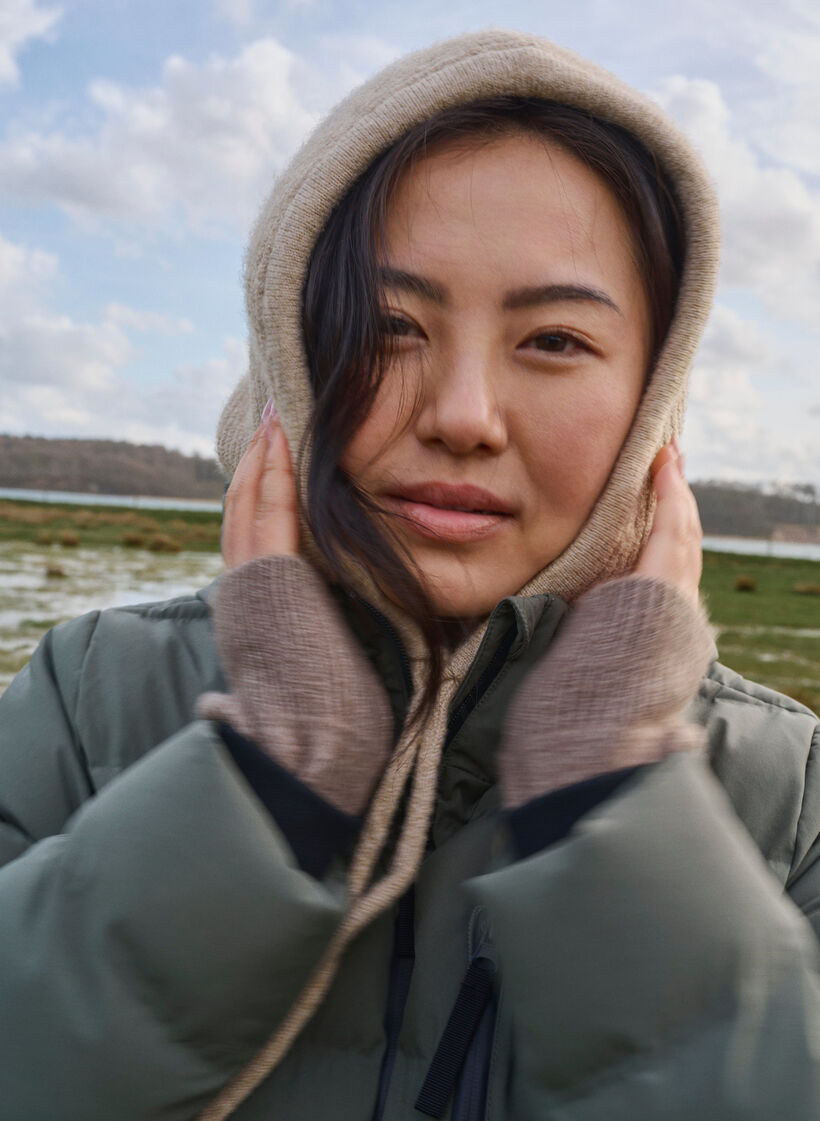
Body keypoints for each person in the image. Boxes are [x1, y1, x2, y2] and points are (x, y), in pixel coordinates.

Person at [0, 28, 818, 1121]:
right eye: (388, 326)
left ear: (653, 397)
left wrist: (606, 798)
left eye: (556, 340)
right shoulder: (88, 699)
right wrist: (270, 777)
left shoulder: (789, 791)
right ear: (289, 350)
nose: (463, 415)